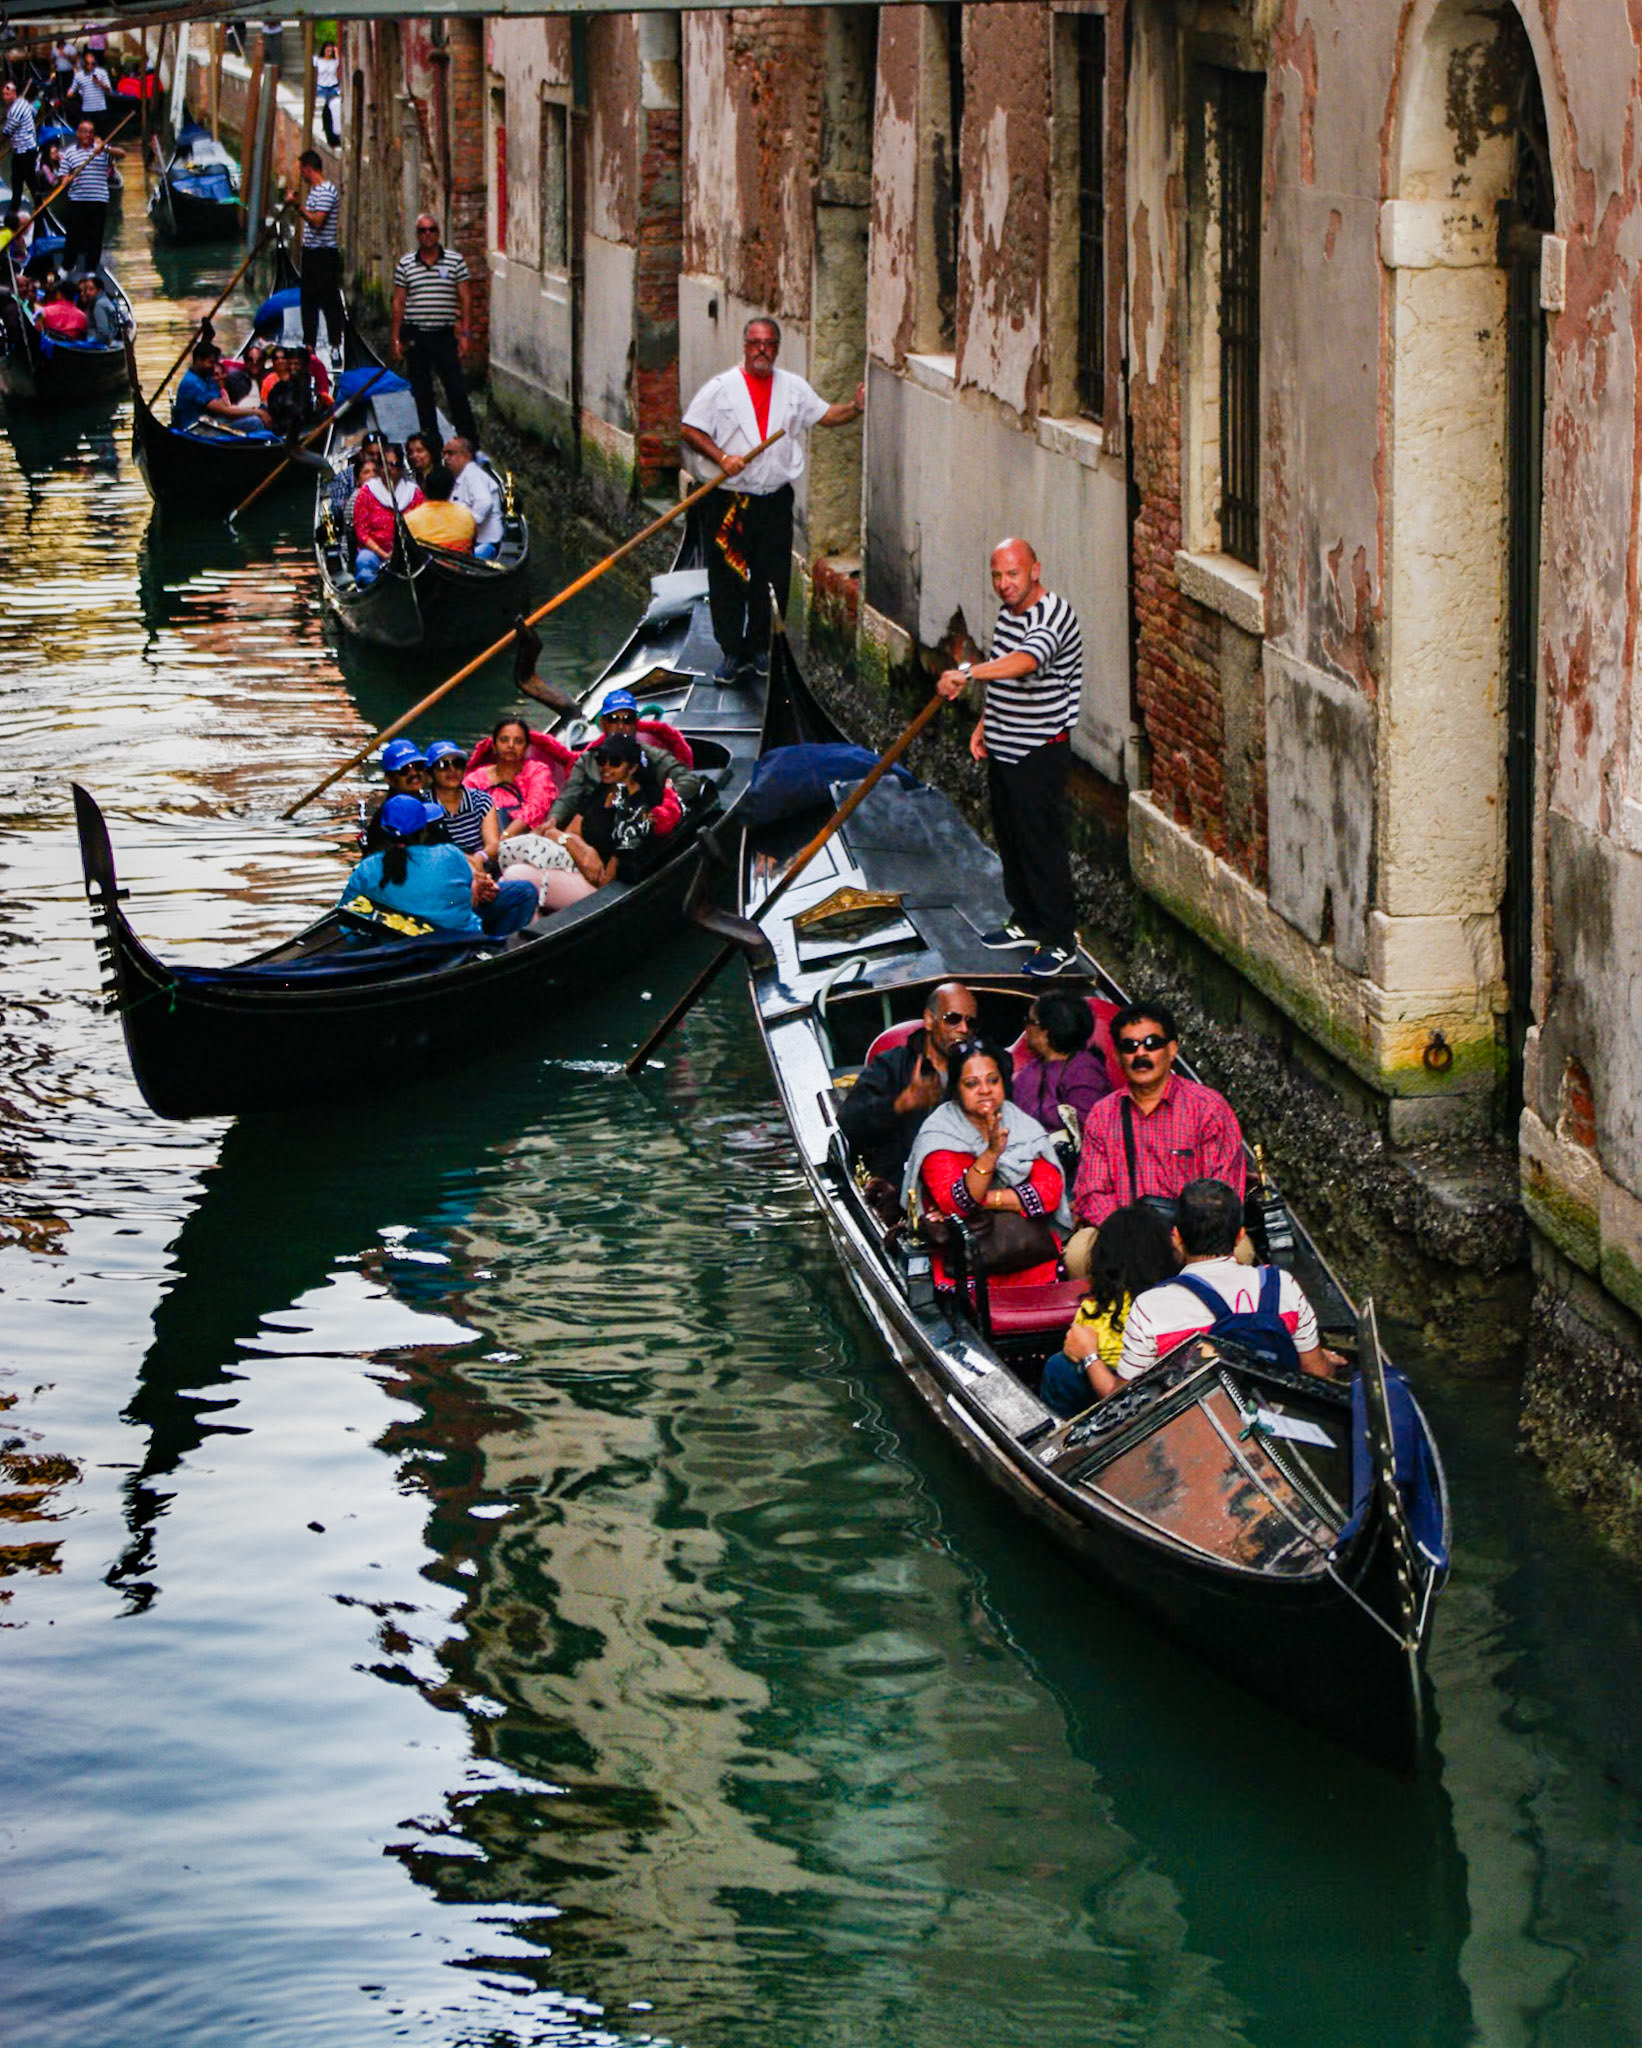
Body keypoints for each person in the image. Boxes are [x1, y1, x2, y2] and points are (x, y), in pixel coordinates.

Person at [680, 315, 863, 682]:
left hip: (774, 499)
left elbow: (827, 415)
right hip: (729, 500)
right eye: (755, 343)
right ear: (745, 347)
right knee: (729, 575)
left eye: (768, 344)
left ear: (777, 348)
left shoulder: (793, 388)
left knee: (771, 576)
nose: (761, 350)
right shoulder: (721, 388)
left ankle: (760, 648)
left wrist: (856, 407)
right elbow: (689, 428)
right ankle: (732, 652)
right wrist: (722, 458)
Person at [935, 538, 1084, 978]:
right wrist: (985, 724)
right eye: (997, 575)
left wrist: (965, 671)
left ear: (1035, 571)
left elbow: (1023, 662)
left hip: (1039, 751)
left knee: (1042, 845)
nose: (1004, 584)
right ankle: (1027, 920)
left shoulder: (1053, 616)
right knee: (1011, 839)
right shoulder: (1008, 614)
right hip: (1004, 744)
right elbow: (1005, 678)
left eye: (1013, 574)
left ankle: (1059, 941)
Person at [1064, 999, 1247, 1278]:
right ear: (1117, 1056)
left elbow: (1223, 1193)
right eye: (1130, 1046)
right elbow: (1092, 1192)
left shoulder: (1208, 1108)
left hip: (1193, 1237)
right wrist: (1135, 1235)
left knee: (1242, 1252)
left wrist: (1181, 1237)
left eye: (1151, 1043)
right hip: (1126, 1233)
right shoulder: (1104, 1114)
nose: (1141, 1053)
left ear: (1172, 1050)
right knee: (1078, 1253)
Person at [1115, 1178, 1340, 1382]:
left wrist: (1090, 1359)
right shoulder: (1282, 1285)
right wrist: (1327, 1361)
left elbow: (1126, 1410)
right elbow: (1317, 1373)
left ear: (1176, 1237)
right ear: (1240, 1235)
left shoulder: (1150, 1308)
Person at [903, 1038, 1072, 1293]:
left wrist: (982, 1200)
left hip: (1031, 1258)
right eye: (972, 1083)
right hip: (965, 1271)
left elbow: (1048, 1194)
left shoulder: (1022, 1124)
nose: (985, 1090)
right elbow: (956, 1203)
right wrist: (992, 1154)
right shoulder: (939, 1134)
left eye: (993, 1080)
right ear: (957, 1089)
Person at [1038, 1203, 1180, 1417]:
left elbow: (1074, 1348)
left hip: (1115, 1388)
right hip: (1164, 1384)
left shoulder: (1095, 1307)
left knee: (1058, 1367)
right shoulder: (1175, 1296)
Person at [338, 793, 539, 939]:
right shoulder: (449, 855)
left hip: (398, 942)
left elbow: (346, 922)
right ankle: (498, 947)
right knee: (525, 892)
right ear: (424, 829)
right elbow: (468, 900)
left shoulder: (365, 869)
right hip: (455, 944)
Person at [837, 980, 980, 1183]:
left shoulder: (979, 1069)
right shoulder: (891, 1065)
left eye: (970, 1022)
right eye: (953, 1019)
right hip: (898, 1185)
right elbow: (847, 1126)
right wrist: (901, 1104)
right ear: (930, 1020)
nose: (964, 1029)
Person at [462, 715, 589, 910]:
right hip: (483, 849)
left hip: (525, 848)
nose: (511, 746)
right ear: (494, 746)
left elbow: (534, 808)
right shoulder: (475, 779)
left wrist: (502, 843)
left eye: (518, 741)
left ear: (526, 747)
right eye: (504, 740)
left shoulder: (537, 771)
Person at [546, 688, 699, 833]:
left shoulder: (651, 755)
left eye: (628, 720)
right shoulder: (586, 762)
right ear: (603, 724)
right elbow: (568, 797)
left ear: (635, 724)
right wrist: (553, 821)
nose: (620, 726)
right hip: (594, 830)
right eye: (613, 719)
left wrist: (663, 808)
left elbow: (687, 780)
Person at [390, 213, 479, 448]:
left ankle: (470, 444)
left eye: (432, 230)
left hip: (444, 335)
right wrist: (395, 339)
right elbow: (398, 302)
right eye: (423, 231)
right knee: (422, 394)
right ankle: (431, 442)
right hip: (415, 336)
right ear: (417, 235)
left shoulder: (455, 262)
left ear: (438, 233)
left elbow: (465, 299)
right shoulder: (406, 264)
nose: (428, 234)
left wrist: (465, 334)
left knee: (456, 391)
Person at [556, 733, 682, 892]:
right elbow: (570, 831)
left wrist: (568, 842)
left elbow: (605, 881)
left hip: (593, 888)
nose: (605, 767)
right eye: (602, 760)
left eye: (615, 762)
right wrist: (585, 852)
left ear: (633, 768)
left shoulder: (638, 809)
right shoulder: (603, 790)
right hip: (572, 864)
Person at [1013, 991, 1113, 1136]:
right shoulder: (1031, 1069)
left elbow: (1089, 1128)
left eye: (1029, 1021)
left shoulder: (1083, 1070)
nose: (1026, 1028)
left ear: (1046, 1030)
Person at [291, 149, 343, 365]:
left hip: (324, 254)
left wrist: (297, 206)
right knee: (308, 301)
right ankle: (309, 347)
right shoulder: (315, 191)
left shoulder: (326, 191)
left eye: (302, 170)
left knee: (330, 300)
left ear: (308, 169)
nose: (301, 175)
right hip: (311, 253)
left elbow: (317, 221)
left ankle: (334, 347)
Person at [424, 739, 502, 873]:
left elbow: (493, 844)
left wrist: (479, 857)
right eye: (444, 765)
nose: (452, 770)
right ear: (431, 773)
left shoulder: (481, 800)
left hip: (480, 868)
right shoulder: (423, 806)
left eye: (457, 764)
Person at [57, 119, 120, 274]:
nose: (87, 135)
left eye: (90, 132)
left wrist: (105, 150)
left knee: (95, 237)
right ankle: (67, 266)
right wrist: (67, 179)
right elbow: (63, 178)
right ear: (78, 133)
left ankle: (90, 268)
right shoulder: (70, 152)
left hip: (98, 199)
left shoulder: (101, 150)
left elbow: (122, 154)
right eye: (84, 131)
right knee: (73, 235)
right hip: (77, 199)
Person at [442, 436, 502, 557]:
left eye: (451, 453)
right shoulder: (457, 477)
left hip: (485, 544)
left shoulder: (474, 476)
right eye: (444, 454)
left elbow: (485, 502)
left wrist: (468, 526)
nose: (445, 458)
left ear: (467, 456)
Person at [351, 449, 401, 588]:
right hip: (375, 553)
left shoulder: (408, 492)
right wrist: (384, 554)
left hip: (404, 551)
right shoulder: (363, 496)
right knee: (364, 561)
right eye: (366, 472)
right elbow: (362, 534)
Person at [403, 465, 476, 553]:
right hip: (457, 565)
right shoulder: (466, 515)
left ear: (425, 487)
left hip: (428, 565)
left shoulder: (410, 520)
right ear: (451, 488)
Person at [2, 80, 37, 210]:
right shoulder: (23, 103)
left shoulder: (14, 111)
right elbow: (35, 111)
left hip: (24, 151)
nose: (5, 98)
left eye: (7, 95)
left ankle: (35, 207)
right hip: (25, 149)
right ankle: (16, 207)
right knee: (19, 181)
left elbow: (7, 133)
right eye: (3, 95)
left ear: (14, 93)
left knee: (23, 181)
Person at [67, 49, 112, 136]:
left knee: (102, 133)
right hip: (87, 109)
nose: (90, 66)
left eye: (92, 64)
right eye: (87, 64)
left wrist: (98, 82)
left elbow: (108, 90)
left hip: (100, 108)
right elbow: (72, 90)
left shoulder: (101, 73)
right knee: (89, 134)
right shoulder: (79, 76)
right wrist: (70, 94)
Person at [75, 270, 120, 342]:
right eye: (86, 289)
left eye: (91, 289)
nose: (87, 292)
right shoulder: (105, 300)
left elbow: (103, 331)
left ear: (99, 290)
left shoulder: (99, 305)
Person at [314, 40, 340, 147]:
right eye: (327, 49)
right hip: (321, 87)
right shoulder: (317, 60)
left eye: (331, 49)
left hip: (333, 87)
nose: (329, 51)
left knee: (334, 108)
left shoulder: (334, 62)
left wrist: (336, 51)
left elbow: (339, 62)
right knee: (323, 108)